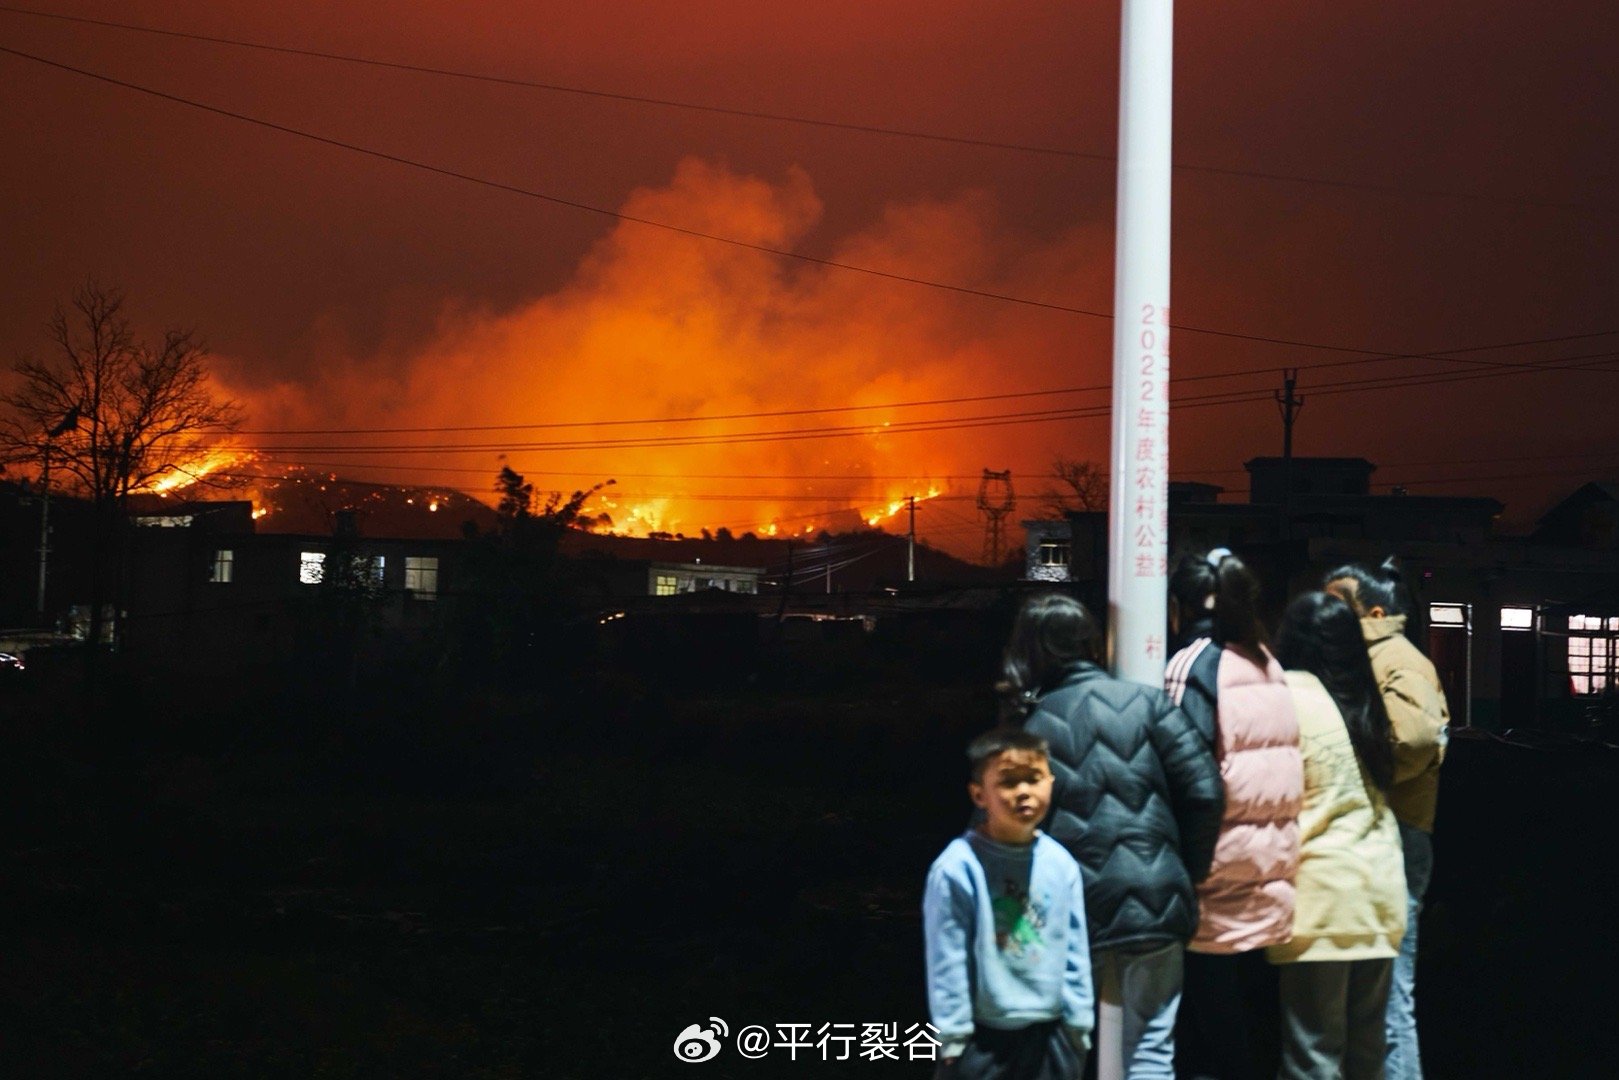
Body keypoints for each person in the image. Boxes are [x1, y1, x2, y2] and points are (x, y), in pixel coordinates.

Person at [997, 592, 1225, 1079]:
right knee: (1152, 1051)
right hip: (1159, 897)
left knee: (1063, 1050)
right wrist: (1187, 872)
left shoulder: (1032, 728)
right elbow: (1205, 792)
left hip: (1074, 909)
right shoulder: (1148, 703)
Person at [1164, 549, 1302, 1080]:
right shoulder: (1268, 662)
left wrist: (1184, 873)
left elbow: (1185, 777)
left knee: (1209, 1038)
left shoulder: (1192, 664)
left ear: (1179, 607)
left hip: (1212, 879)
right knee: (1250, 1029)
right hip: (1271, 871)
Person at [1270, 591, 1409, 1080]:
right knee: (1367, 1057)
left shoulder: (1285, 694)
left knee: (1314, 1057)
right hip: (1380, 895)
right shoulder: (1365, 703)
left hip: (1322, 898)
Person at [1322, 560, 1448, 1080]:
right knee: (1374, 998)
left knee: (1389, 995)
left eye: (1338, 606)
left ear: (1375, 613)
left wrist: (1359, 776)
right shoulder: (1370, 658)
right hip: (1384, 836)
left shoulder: (1396, 659)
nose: (1326, 616)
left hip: (1394, 837)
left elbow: (1414, 740)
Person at [925, 728, 1095, 1080]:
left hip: (1050, 1034)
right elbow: (948, 957)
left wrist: (1079, 1025)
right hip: (982, 1037)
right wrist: (953, 1037)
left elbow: (1075, 947)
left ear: (1050, 781)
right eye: (1008, 781)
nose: (1023, 792)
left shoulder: (1060, 864)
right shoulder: (957, 867)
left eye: (1033, 779)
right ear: (978, 794)